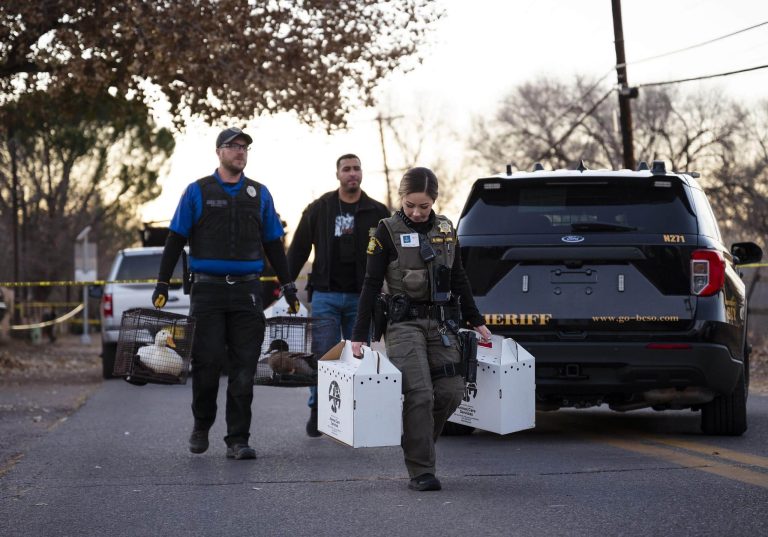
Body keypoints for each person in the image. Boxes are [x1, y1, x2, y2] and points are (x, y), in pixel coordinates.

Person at [151, 126, 300, 460]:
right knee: (206, 365)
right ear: (218, 152)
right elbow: (175, 238)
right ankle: (202, 424)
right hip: (207, 292)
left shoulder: (260, 195)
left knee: (244, 367)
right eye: (233, 146)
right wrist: (162, 283)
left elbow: (273, 244)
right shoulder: (197, 192)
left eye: (245, 147)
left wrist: (289, 287)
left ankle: (238, 439)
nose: (240, 152)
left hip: (247, 292)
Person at [350, 167, 492, 491]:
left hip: (442, 323)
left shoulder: (445, 229)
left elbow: (459, 277)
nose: (416, 212)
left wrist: (476, 319)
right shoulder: (386, 230)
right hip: (403, 325)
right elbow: (371, 284)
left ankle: (417, 440)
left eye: (424, 206)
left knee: (452, 391)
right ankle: (421, 469)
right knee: (420, 393)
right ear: (401, 198)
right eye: (410, 204)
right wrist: (360, 335)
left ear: (434, 202)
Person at [287, 153, 390, 436]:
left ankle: (360, 412)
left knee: (360, 357)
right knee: (324, 357)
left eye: (357, 168)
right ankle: (318, 410)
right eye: (347, 169)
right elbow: (298, 249)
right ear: (338, 175)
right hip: (325, 295)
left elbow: (391, 255)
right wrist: (286, 285)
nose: (352, 173)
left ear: (362, 173)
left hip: (362, 298)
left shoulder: (377, 211)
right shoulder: (321, 208)